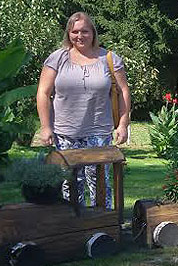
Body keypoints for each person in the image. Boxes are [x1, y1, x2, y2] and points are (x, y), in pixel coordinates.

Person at [36, 11, 131, 209]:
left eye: (85, 31)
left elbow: (123, 92)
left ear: (93, 33)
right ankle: (74, 222)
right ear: (68, 34)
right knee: (69, 184)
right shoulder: (57, 58)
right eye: (75, 32)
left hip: (99, 133)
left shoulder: (109, 59)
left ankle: (103, 222)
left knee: (100, 184)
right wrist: (45, 127)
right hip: (65, 134)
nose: (80, 36)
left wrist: (123, 124)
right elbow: (43, 93)